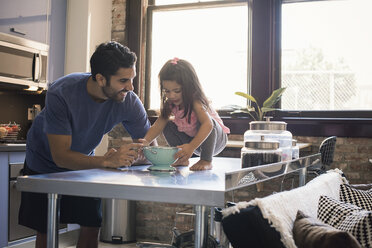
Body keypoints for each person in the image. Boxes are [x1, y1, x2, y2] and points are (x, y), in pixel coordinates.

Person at [18, 41, 150, 248]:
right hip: (43, 163)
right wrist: (107, 161)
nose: (131, 87)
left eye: (132, 79)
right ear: (100, 78)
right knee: (46, 228)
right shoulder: (62, 92)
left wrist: (140, 155)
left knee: (91, 223)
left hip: (83, 164)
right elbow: (60, 156)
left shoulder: (129, 101)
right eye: (123, 80)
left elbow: (149, 146)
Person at [139, 58, 230, 171]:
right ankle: (182, 158)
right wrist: (146, 141)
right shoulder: (170, 103)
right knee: (167, 124)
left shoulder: (196, 101)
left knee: (206, 123)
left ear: (189, 87)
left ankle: (206, 160)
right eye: (167, 91)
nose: (171, 95)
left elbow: (208, 125)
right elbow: (158, 125)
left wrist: (191, 147)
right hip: (194, 142)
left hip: (215, 141)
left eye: (177, 91)